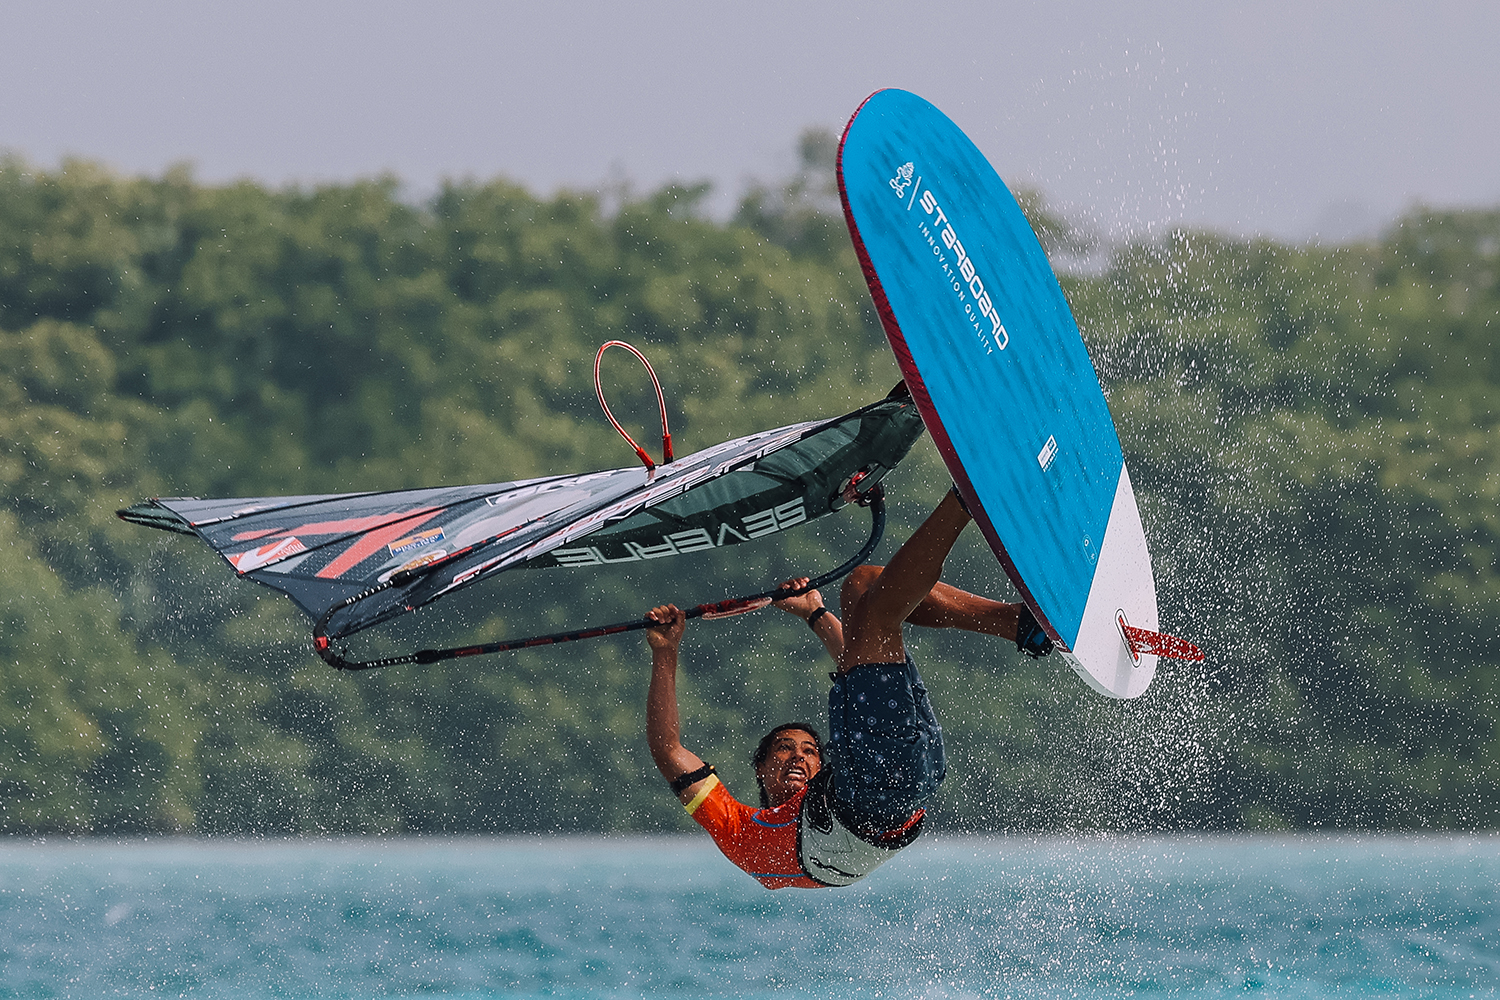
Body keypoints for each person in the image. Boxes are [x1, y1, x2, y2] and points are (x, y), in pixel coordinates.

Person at [644, 487, 1053, 889]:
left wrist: (815, 612)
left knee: (863, 586)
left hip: (907, 773)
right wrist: (666, 652)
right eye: (785, 748)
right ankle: (966, 497)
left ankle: (1018, 625)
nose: (799, 757)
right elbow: (669, 750)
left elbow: (860, 671)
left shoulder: (842, 770)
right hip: (877, 798)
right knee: (877, 618)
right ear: (761, 767)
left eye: (808, 750)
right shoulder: (744, 835)